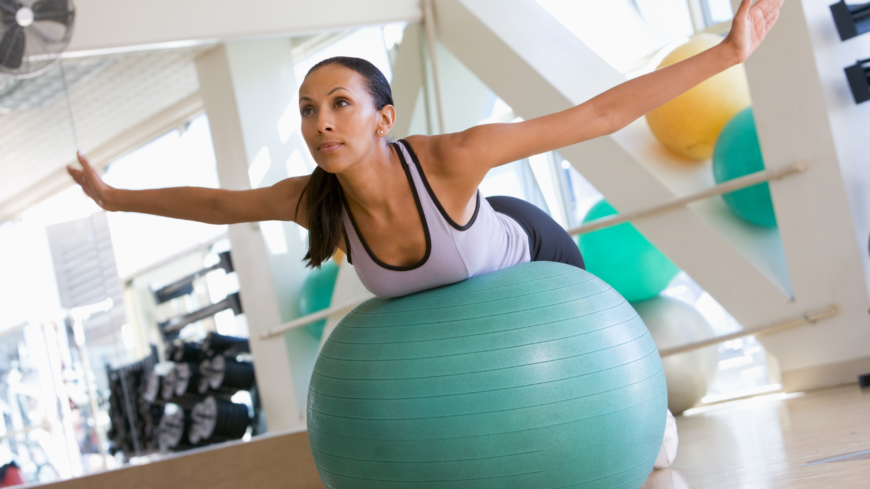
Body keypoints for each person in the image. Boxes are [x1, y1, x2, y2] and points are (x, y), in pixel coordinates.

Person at [67, 0, 782, 469]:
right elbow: (219, 204)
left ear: (383, 118)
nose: (322, 122)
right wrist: (114, 197)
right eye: (310, 108)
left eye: (341, 104)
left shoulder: (450, 158)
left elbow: (595, 116)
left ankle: (647, 417)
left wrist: (727, 54)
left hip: (530, 252)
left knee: (643, 438)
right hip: (459, 326)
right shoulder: (318, 203)